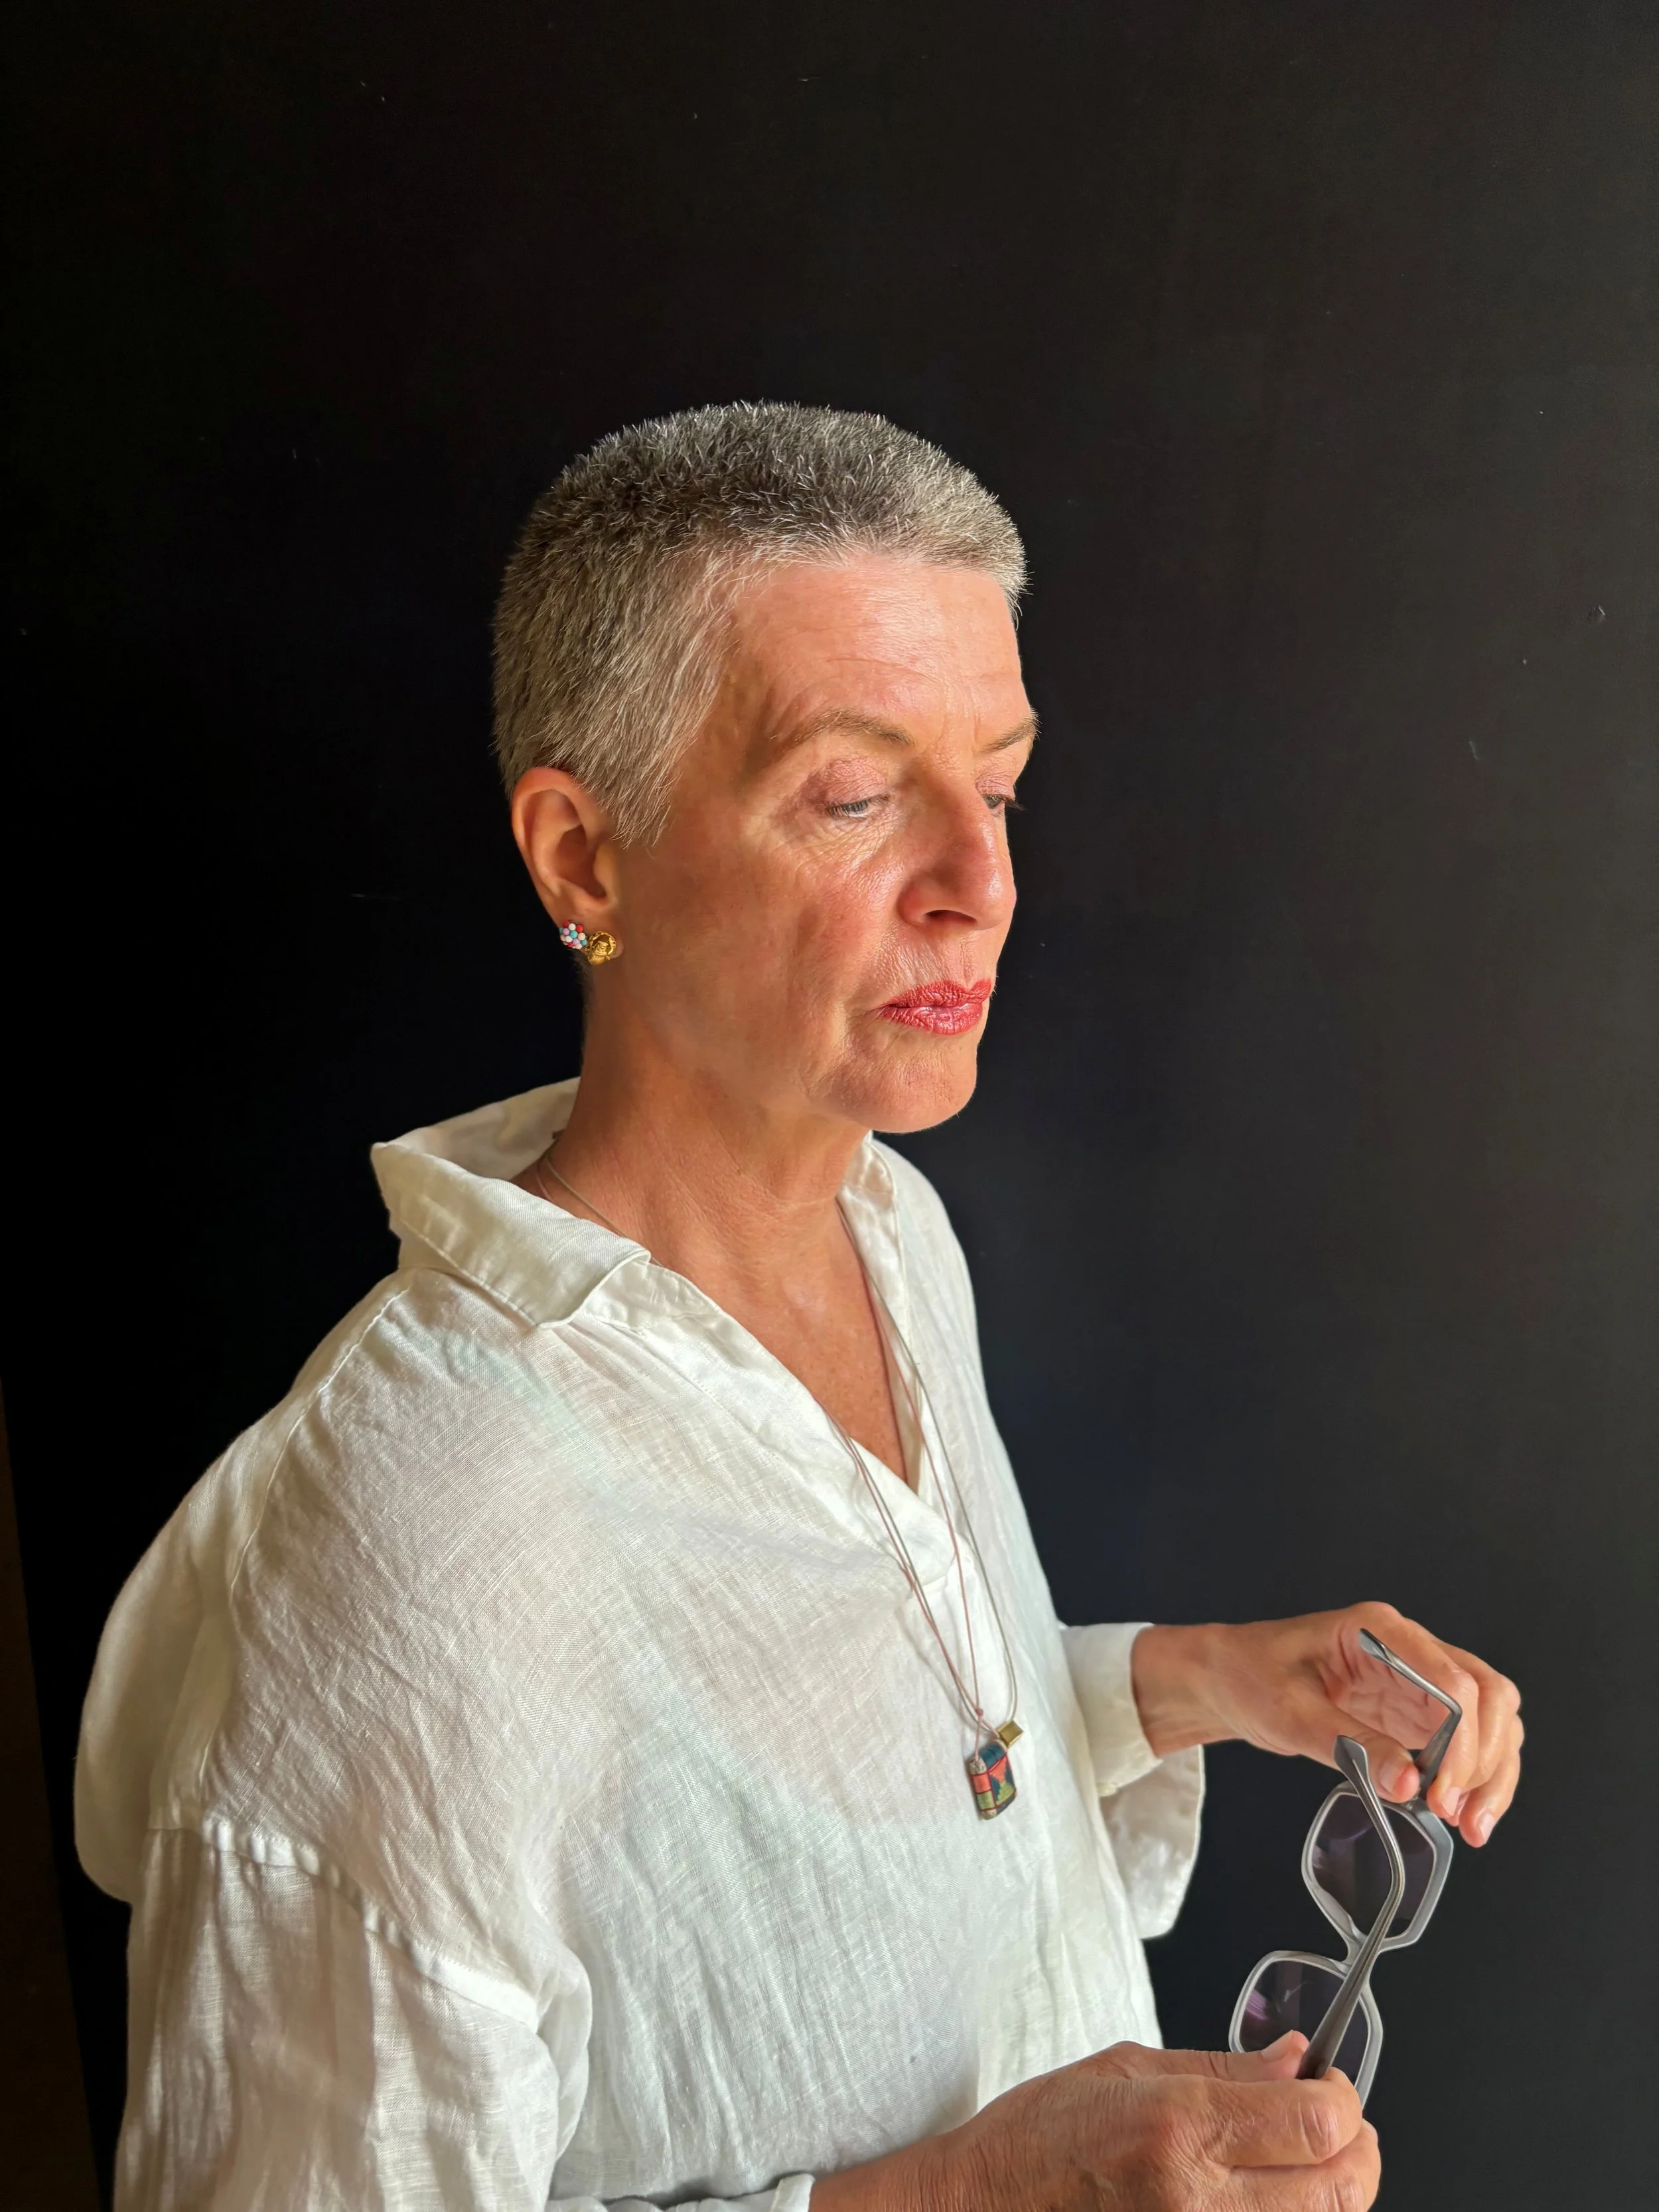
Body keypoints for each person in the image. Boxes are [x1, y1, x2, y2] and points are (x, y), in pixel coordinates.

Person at [77, 404, 1523, 2211]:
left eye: (995, 782)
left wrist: (1195, 1682)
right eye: (853, 794)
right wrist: (967, 2198)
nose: (982, 886)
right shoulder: (414, 1541)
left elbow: (827, 1795)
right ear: (581, 860)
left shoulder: (889, 1221)